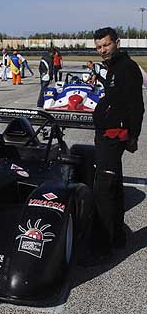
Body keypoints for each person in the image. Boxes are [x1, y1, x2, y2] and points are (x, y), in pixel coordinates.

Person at [89, 27, 144, 264]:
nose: (103, 50)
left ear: (117, 43)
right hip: (107, 134)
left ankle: (102, 248)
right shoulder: (113, 69)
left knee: (103, 189)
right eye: (99, 47)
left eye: (106, 45)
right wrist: (99, 76)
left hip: (114, 136)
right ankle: (118, 236)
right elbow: (115, 95)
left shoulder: (128, 68)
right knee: (115, 186)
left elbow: (136, 105)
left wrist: (134, 136)